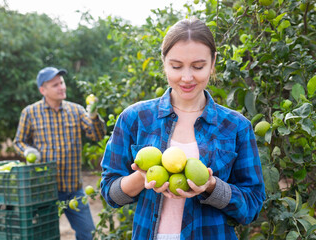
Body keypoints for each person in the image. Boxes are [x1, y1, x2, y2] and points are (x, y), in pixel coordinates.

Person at [100, 18, 265, 240]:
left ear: (213, 62)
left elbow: (252, 205)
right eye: (176, 66)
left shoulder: (236, 126)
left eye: (198, 66)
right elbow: (110, 194)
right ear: (164, 62)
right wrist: (141, 177)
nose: (187, 77)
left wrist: (211, 186)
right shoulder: (135, 118)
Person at [13, 66, 106, 240]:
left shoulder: (76, 110)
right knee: (46, 235)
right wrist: (28, 151)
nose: (61, 87)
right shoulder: (30, 113)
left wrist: (93, 115)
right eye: (55, 85)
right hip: (45, 190)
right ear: (43, 90)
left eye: (62, 83)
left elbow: (97, 135)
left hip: (74, 189)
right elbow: (18, 142)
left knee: (89, 234)